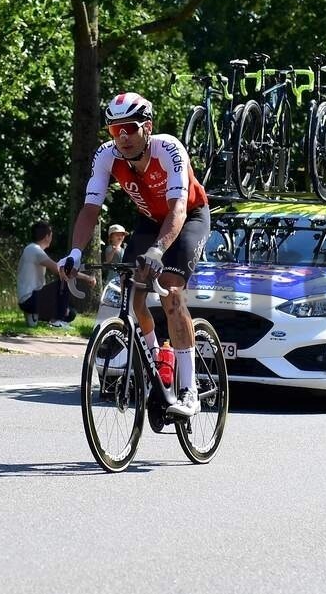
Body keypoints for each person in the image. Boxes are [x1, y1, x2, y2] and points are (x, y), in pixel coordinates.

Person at [59, 92, 210, 417]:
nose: (122, 137)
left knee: (170, 292)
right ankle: (158, 363)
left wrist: (158, 250)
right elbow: (89, 210)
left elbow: (178, 209)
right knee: (136, 297)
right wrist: (73, 253)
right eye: (115, 130)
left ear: (147, 127)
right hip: (148, 219)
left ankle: (189, 390)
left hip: (188, 217)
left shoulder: (168, 149)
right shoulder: (106, 156)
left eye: (129, 128)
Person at [18, 221, 94, 327]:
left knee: (70, 313)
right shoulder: (35, 250)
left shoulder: (30, 249)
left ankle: (35, 315)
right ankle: (57, 321)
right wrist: (87, 277)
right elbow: (59, 270)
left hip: (28, 300)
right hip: (30, 299)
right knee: (64, 280)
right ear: (47, 236)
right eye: (51, 235)